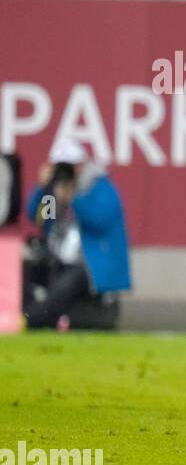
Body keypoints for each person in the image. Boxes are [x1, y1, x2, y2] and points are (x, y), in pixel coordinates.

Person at [23, 139, 131, 330]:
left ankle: (35, 321)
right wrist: (43, 189)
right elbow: (37, 217)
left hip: (88, 264)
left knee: (69, 282)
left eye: (70, 166)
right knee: (25, 269)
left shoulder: (100, 187)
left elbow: (99, 221)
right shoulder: (53, 191)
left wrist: (74, 199)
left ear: (82, 165)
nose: (66, 172)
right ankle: (28, 314)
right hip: (57, 259)